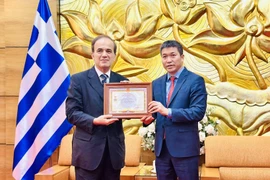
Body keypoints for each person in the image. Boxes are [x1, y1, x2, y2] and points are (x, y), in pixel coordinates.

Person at [141, 40, 207, 180]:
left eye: (173, 55)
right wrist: (148, 118)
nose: (169, 60)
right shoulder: (156, 83)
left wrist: (168, 111)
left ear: (182, 57)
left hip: (185, 150)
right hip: (162, 150)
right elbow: (153, 111)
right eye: (164, 56)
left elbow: (198, 111)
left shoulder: (195, 81)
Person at [66, 35, 128, 180]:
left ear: (114, 55)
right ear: (92, 54)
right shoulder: (78, 80)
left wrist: (138, 109)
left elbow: (128, 111)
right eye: (100, 51)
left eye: (108, 51)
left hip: (113, 153)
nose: (104, 54)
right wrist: (94, 121)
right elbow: (71, 113)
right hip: (87, 154)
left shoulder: (122, 82)